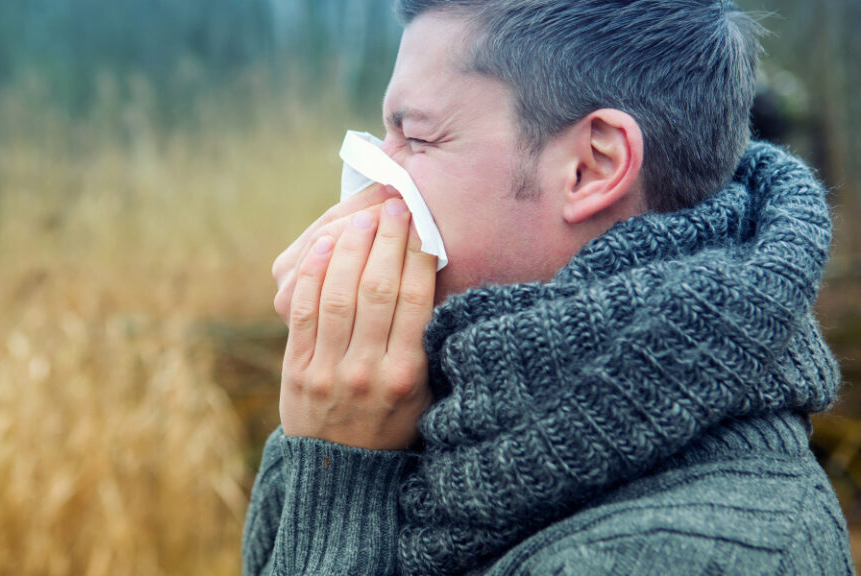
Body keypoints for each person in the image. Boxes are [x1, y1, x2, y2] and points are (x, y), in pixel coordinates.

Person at [243, 0, 855, 574]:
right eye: (385, 134)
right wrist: (328, 411)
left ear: (592, 167)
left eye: (419, 138)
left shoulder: (686, 553)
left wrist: (340, 479)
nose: (375, 182)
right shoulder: (440, 403)